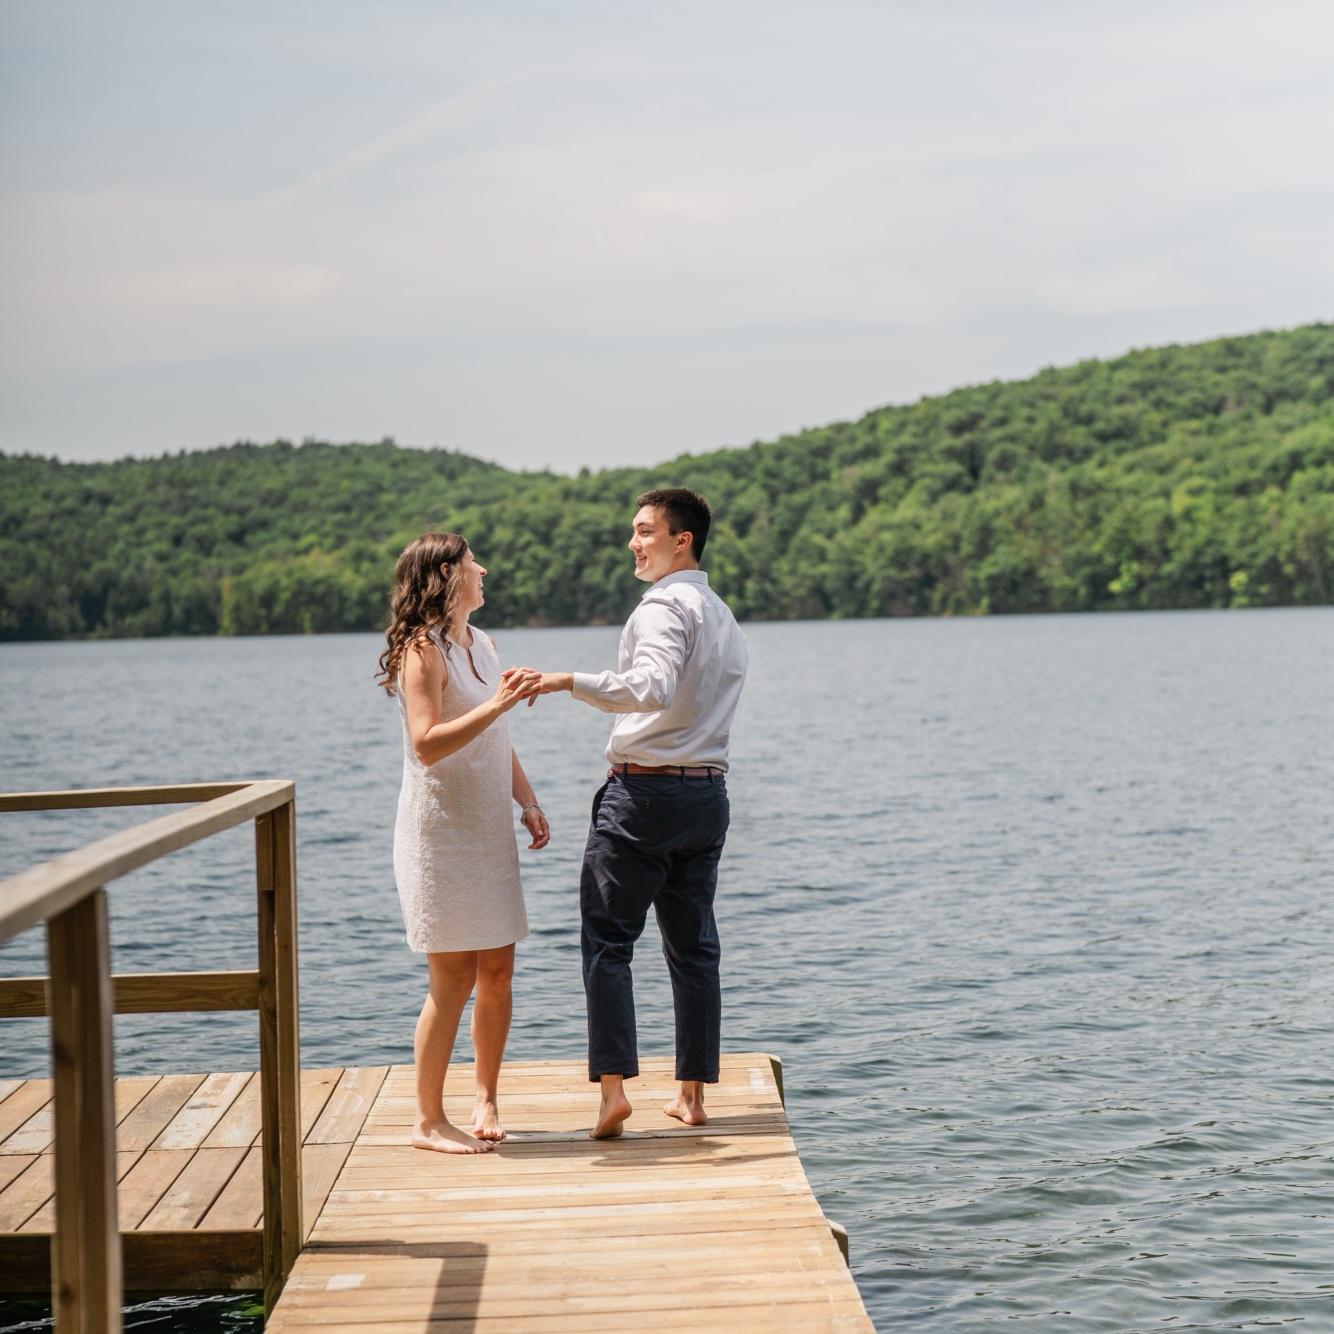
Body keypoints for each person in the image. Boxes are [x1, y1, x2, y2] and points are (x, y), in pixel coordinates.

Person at [533, 488, 748, 1139]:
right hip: (705, 796)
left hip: (644, 797)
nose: (634, 542)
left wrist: (569, 680)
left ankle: (612, 1094)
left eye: (645, 530)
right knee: (694, 949)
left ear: (682, 539)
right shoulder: (722, 615)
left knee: (607, 942)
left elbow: (650, 688)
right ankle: (691, 1095)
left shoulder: (663, 608)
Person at [377, 532, 548, 1154]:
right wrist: (501, 702)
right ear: (448, 576)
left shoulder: (483, 643)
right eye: (475, 563)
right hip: (440, 835)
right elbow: (427, 743)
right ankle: (427, 1121)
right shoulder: (422, 650)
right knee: (451, 978)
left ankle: (485, 1097)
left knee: (498, 970)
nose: (484, 570)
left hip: (485, 830)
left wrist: (526, 802)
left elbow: (495, 739)